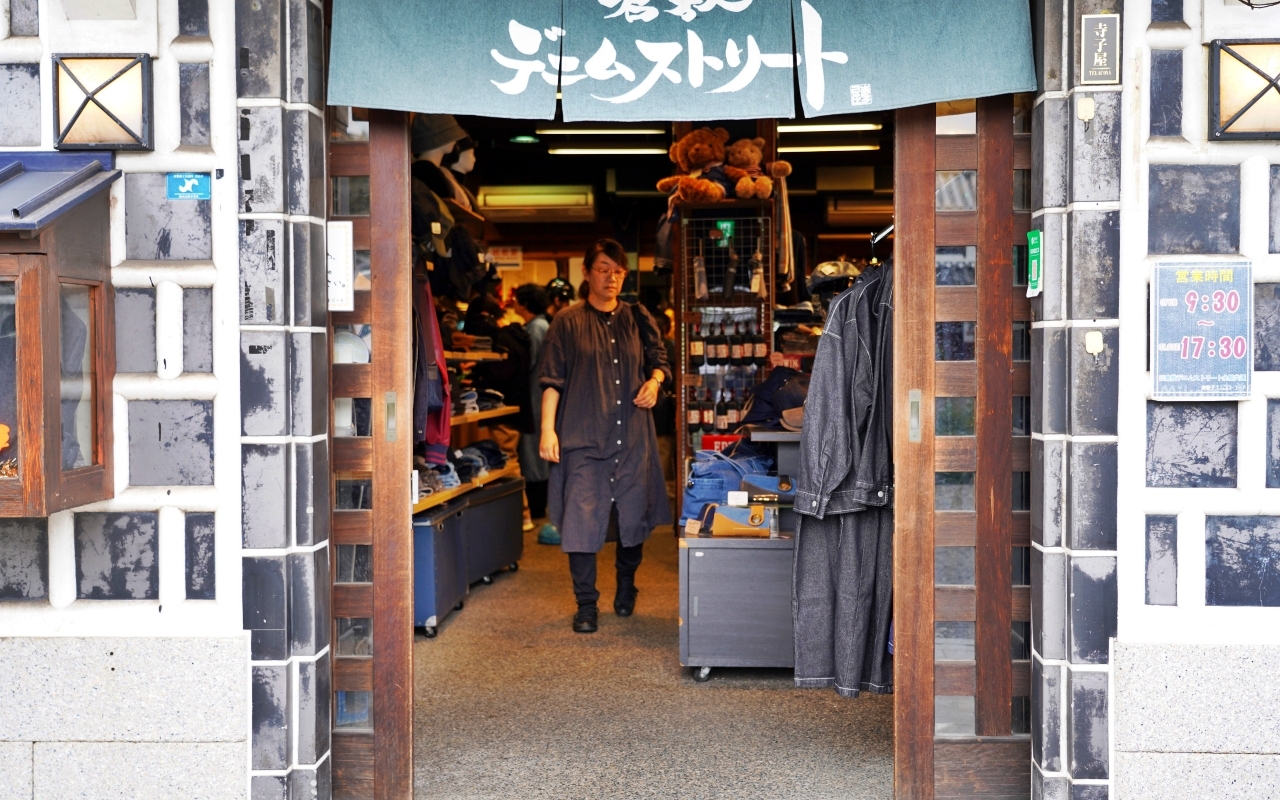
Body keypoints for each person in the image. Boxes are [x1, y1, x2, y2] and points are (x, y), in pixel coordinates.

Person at [539, 239, 672, 634]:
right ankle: (585, 605)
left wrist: (655, 381)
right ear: (586, 272)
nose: (610, 277)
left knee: (633, 516)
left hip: (632, 436)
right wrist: (548, 429)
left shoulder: (637, 316)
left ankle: (627, 584)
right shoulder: (567, 321)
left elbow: (659, 360)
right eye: (602, 269)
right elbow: (551, 380)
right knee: (581, 520)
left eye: (617, 271)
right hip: (582, 435)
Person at [511, 284, 558, 544]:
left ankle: (538, 506)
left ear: (525, 303)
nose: (513, 303)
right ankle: (539, 505)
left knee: (533, 448)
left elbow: (533, 363)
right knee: (532, 448)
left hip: (536, 395)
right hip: (536, 394)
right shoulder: (539, 325)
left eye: (516, 300)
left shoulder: (537, 328)